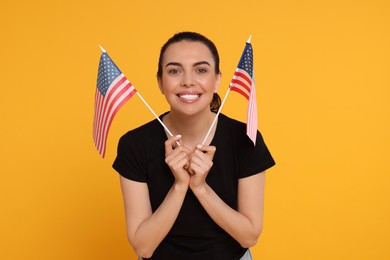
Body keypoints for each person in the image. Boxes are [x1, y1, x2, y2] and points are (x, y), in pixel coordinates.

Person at [113, 31, 275, 260]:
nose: (188, 80)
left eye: (201, 70)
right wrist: (180, 185)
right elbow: (143, 247)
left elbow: (248, 237)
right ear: (160, 81)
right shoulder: (134, 144)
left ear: (217, 80)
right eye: (174, 71)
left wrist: (200, 188)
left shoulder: (245, 139)